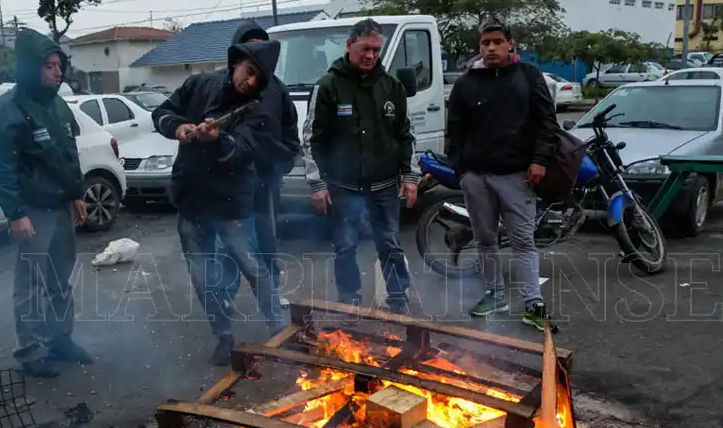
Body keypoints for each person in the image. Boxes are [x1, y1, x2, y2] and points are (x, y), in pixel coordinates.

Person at [152, 39, 288, 365]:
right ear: (236, 62)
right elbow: (161, 113)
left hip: (232, 205)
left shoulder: (259, 105)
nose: (251, 82)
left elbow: (243, 149)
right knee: (203, 277)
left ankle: (280, 328)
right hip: (191, 201)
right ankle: (224, 336)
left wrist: (219, 139)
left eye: (259, 79)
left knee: (254, 268)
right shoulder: (200, 83)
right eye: (249, 72)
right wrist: (179, 127)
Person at [0, 28, 92, 378]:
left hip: (59, 208)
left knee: (60, 280)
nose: (57, 72)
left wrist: (75, 193)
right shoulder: (6, 111)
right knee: (30, 284)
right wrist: (16, 214)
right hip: (31, 213)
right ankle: (29, 352)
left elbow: (67, 154)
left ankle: (60, 340)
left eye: (58, 65)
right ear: (31, 68)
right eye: (49, 66)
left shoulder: (58, 104)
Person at [446, 17, 557, 332]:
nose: (491, 47)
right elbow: (454, 129)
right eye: (485, 42)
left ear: (511, 45)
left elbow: (546, 122)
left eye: (497, 42)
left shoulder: (528, 77)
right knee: (484, 240)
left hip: (516, 175)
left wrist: (539, 160)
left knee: (523, 240)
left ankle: (533, 303)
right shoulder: (466, 82)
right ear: (479, 46)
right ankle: (495, 294)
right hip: (476, 176)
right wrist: (461, 169)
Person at [303, 18, 418, 315]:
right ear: (349, 45)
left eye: (376, 51)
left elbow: (405, 135)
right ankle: (350, 300)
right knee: (345, 248)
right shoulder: (327, 86)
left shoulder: (392, 87)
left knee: (390, 246)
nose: (370, 56)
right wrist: (317, 184)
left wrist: (409, 176)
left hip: (384, 187)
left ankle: (398, 296)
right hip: (344, 188)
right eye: (365, 48)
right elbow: (310, 139)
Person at [219, 21, 300, 310]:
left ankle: (271, 294)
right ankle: (225, 299)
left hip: (265, 181)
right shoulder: (223, 87)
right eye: (250, 46)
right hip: (228, 184)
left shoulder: (277, 90)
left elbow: (291, 133)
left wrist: (283, 162)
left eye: (261, 46)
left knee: (266, 239)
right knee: (228, 246)